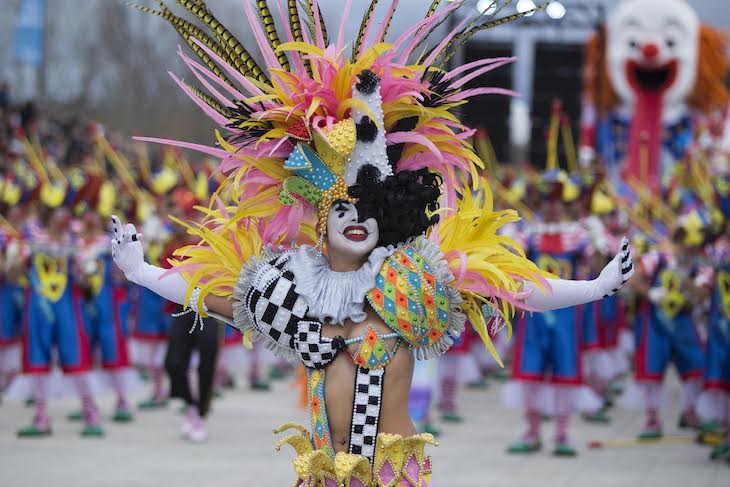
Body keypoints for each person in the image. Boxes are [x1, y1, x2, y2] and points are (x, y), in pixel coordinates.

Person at [114, 1, 634, 483]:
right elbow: (212, 296)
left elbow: (511, 289)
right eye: (342, 209)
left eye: (368, 210)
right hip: (320, 472)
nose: (356, 220)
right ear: (321, 220)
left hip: (392, 473)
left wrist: (593, 286)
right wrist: (141, 272)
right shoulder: (290, 291)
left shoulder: (413, 282)